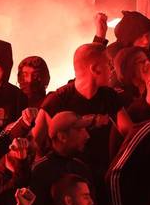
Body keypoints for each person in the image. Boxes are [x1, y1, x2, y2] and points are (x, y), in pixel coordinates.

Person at [34, 43, 131, 188]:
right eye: (108, 64)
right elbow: (36, 141)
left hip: (102, 176)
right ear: (95, 69)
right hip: (69, 183)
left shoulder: (109, 96)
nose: (112, 69)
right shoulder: (57, 100)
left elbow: (129, 131)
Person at [30, 112, 94, 205]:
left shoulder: (81, 168)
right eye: (80, 130)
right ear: (62, 137)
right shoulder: (40, 171)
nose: (87, 135)